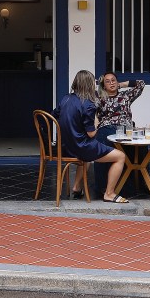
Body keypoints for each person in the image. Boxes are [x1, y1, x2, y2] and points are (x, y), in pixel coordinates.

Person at [54, 70, 128, 203]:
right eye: (93, 82)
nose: (95, 84)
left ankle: (77, 187)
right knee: (120, 156)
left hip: (64, 147)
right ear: (89, 84)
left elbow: (54, 115)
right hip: (80, 148)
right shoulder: (88, 104)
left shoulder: (66, 99)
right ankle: (109, 193)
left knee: (87, 157)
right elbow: (91, 133)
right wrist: (97, 123)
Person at [92, 72, 145, 194]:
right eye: (107, 81)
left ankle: (136, 185)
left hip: (125, 128)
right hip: (106, 127)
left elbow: (141, 84)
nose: (111, 83)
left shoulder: (126, 96)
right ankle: (102, 187)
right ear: (103, 86)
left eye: (113, 80)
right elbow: (89, 102)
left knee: (141, 147)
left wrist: (121, 85)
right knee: (101, 148)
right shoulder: (100, 97)